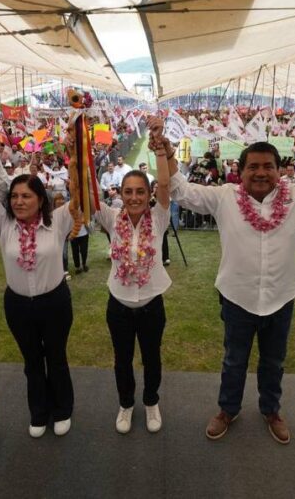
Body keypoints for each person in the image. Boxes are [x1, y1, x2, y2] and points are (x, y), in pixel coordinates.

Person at [162, 132, 295, 445]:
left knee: (274, 361)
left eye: (268, 166)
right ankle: (227, 409)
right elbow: (181, 191)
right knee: (233, 360)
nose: (260, 172)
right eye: (252, 166)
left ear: (279, 169)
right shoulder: (224, 196)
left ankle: (271, 410)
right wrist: (167, 155)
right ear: (240, 172)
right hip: (237, 297)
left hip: (281, 298)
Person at [0, 129, 76, 439]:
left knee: (56, 358)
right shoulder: (2, 224)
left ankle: (63, 410)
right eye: (14, 196)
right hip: (18, 305)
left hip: (54, 302)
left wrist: (76, 154)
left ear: (40, 198)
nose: (18, 201)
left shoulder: (57, 220)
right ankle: (38, 411)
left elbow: (83, 193)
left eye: (26, 196)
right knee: (32, 361)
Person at [94, 118, 172, 434]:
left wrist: (159, 144)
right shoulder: (111, 218)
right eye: (129, 192)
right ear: (121, 194)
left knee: (152, 359)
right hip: (119, 306)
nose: (135, 197)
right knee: (122, 360)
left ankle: (151, 401)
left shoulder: (160, 215)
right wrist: (78, 149)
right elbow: (87, 190)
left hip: (152, 305)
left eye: (140, 191)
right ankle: (126, 404)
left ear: (148, 192)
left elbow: (165, 184)